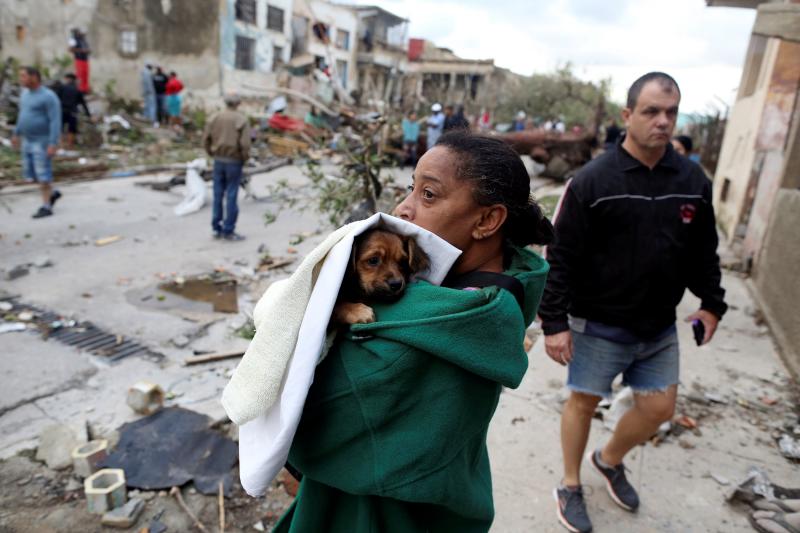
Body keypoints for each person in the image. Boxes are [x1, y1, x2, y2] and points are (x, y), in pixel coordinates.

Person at [274, 130, 554, 532]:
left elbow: (307, 431)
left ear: (487, 220)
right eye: (411, 188)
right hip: (446, 504)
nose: (404, 209)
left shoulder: (420, 332)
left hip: (373, 517)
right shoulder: (502, 289)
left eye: (429, 195)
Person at [539, 72, 727, 533]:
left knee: (660, 409)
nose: (662, 122)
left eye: (671, 112)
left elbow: (704, 248)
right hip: (598, 323)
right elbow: (559, 253)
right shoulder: (592, 181)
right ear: (627, 116)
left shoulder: (691, 180)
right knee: (582, 403)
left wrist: (712, 303)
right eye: (651, 111)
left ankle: (608, 459)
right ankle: (569, 484)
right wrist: (553, 321)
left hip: (659, 326)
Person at [12, 67, 62, 219]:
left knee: (43, 175)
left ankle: (46, 206)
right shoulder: (25, 94)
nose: (21, 79)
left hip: (42, 141)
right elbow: (22, 115)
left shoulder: (48, 96)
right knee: (31, 175)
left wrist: (53, 143)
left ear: (34, 77)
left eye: (23, 76)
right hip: (27, 140)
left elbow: (55, 120)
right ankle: (52, 194)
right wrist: (16, 133)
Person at [203, 93, 251, 241]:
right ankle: (228, 229)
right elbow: (245, 144)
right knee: (231, 194)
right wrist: (244, 158)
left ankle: (216, 228)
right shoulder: (241, 120)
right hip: (233, 161)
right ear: (238, 103)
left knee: (218, 194)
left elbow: (206, 139)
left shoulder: (215, 117)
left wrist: (211, 152)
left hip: (219, 160)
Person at [54, 73, 91, 148]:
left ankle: (61, 145)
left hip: (62, 111)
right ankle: (70, 146)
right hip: (73, 112)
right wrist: (88, 115)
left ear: (67, 79)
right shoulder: (77, 90)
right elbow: (83, 104)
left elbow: (56, 100)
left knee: (60, 128)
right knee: (72, 129)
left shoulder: (62, 87)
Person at [68, 28, 90, 93]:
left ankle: (85, 89)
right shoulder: (74, 39)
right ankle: (80, 89)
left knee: (85, 74)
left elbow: (87, 49)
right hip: (79, 59)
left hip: (85, 59)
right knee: (80, 75)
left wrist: (87, 51)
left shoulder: (83, 40)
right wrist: (82, 51)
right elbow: (70, 49)